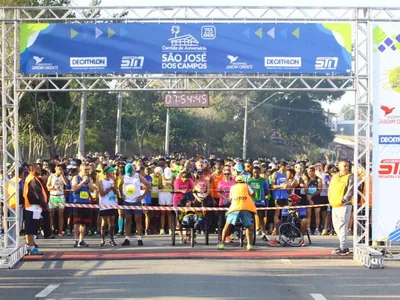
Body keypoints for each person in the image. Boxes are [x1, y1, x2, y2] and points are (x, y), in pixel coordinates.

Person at [218, 175, 257, 251]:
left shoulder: (233, 187)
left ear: (236, 181)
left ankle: (222, 243)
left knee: (227, 225)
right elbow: (253, 194)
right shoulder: (246, 186)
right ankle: (249, 245)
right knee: (248, 226)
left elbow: (230, 199)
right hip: (245, 207)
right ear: (244, 181)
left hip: (235, 208)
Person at [119, 163, 151, 246]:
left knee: (138, 220)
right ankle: (127, 238)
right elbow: (119, 186)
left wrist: (142, 196)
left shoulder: (138, 176)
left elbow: (148, 185)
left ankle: (139, 238)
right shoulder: (124, 177)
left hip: (136, 201)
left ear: (133, 170)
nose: (129, 175)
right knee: (128, 220)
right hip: (127, 201)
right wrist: (121, 195)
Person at [328, 160, 354, 255]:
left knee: (342, 226)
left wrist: (343, 200)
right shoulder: (335, 177)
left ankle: (343, 247)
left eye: (347, 166)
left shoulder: (350, 177)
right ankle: (344, 246)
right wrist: (330, 199)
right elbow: (330, 189)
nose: (346, 167)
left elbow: (351, 190)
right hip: (334, 204)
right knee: (336, 226)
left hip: (344, 205)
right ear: (339, 167)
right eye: (344, 166)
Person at [23, 164, 48, 255]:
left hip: (34, 207)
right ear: (32, 170)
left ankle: (30, 246)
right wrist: (44, 205)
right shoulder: (32, 180)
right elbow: (38, 194)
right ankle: (31, 247)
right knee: (31, 228)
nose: (39, 169)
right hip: (33, 207)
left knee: (32, 228)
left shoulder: (33, 178)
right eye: (37, 168)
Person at [71, 163, 96, 248]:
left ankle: (81, 240)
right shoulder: (76, 178)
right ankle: (76, 239)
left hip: (86, 203)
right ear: (81, 170)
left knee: (84, 223)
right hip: (78, 202)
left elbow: (92, 190)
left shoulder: (88, 178)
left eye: (88, 170)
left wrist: (88, 183)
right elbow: (73, 188)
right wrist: (82, 182)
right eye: (86, 170)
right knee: (77, 222)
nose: (87, 172)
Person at [98, 165, 118, 246]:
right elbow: (102, 193)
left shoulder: (112, 181)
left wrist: (114, 188)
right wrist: (110, 188)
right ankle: (102, 239)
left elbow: (116, 193)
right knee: (104, 221)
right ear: (106, 172)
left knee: (112, 221)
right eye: (111, 171)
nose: (112, 172)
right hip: (104, 204)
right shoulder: (101, 181)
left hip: (112, 203)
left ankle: (111, 239)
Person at [248, 166, 270, 241]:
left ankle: (263, 233)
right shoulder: (249, 181)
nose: (256, 174)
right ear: (252, 173)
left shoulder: (264, 181)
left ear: (259, 172)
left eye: (257, 172)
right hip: (251, 202)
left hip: (261, 202)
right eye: (254, 172)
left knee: (261, 218)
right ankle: (248, 234)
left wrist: (262, 196)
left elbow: (267, 191)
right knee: (249, 218)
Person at [47, 165, 68, 236]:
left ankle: (60, 230)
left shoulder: (62, 176)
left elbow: (66, 183)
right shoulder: (51, 176)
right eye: (59, 169)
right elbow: (47, 186)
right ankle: (51, 229)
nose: (60, 171)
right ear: (55, 169)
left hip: (60, 196)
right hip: (53, 196)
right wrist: (53, 187)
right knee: (51, 214)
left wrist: (62, 175)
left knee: (61, 214)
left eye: (61, 169)